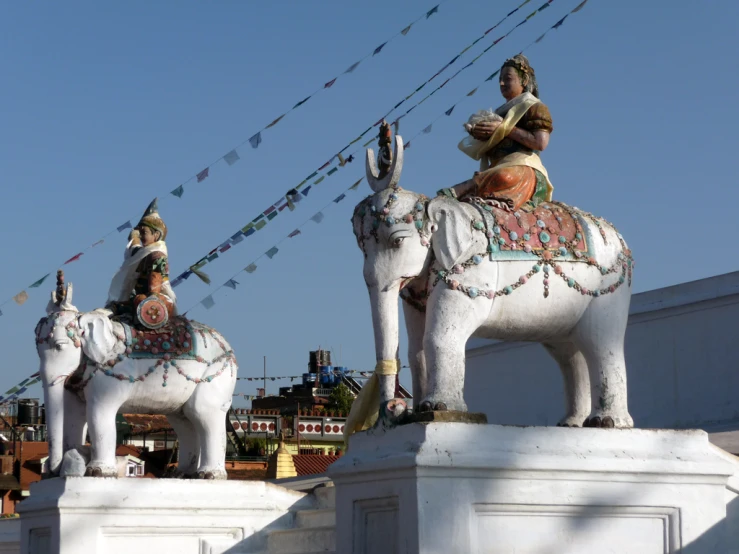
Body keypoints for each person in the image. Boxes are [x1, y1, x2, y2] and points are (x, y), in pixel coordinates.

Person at [440, 54, 554, 211]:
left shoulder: (534, 107)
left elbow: (540, 143)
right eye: (500, 79)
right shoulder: (500, 113)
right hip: (495, 167)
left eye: (507, 78)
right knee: (493, 176)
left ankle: (462, 188)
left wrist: (504, 128)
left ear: (524, 81)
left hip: (522, 167)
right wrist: (479, 133)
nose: (501, 83)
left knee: (503, 176)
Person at [106, 198, 177, 324]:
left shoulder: (157, 255)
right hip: (138, 296)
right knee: (115, 306)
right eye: (141, 233)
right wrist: (134, 237)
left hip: (155, 296)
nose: (141, 236)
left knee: (140, 300)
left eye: (144, 232)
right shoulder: (142, 254)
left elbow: (155, 282)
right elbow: (134, 249)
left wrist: (152, 297)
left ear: (156, 235)